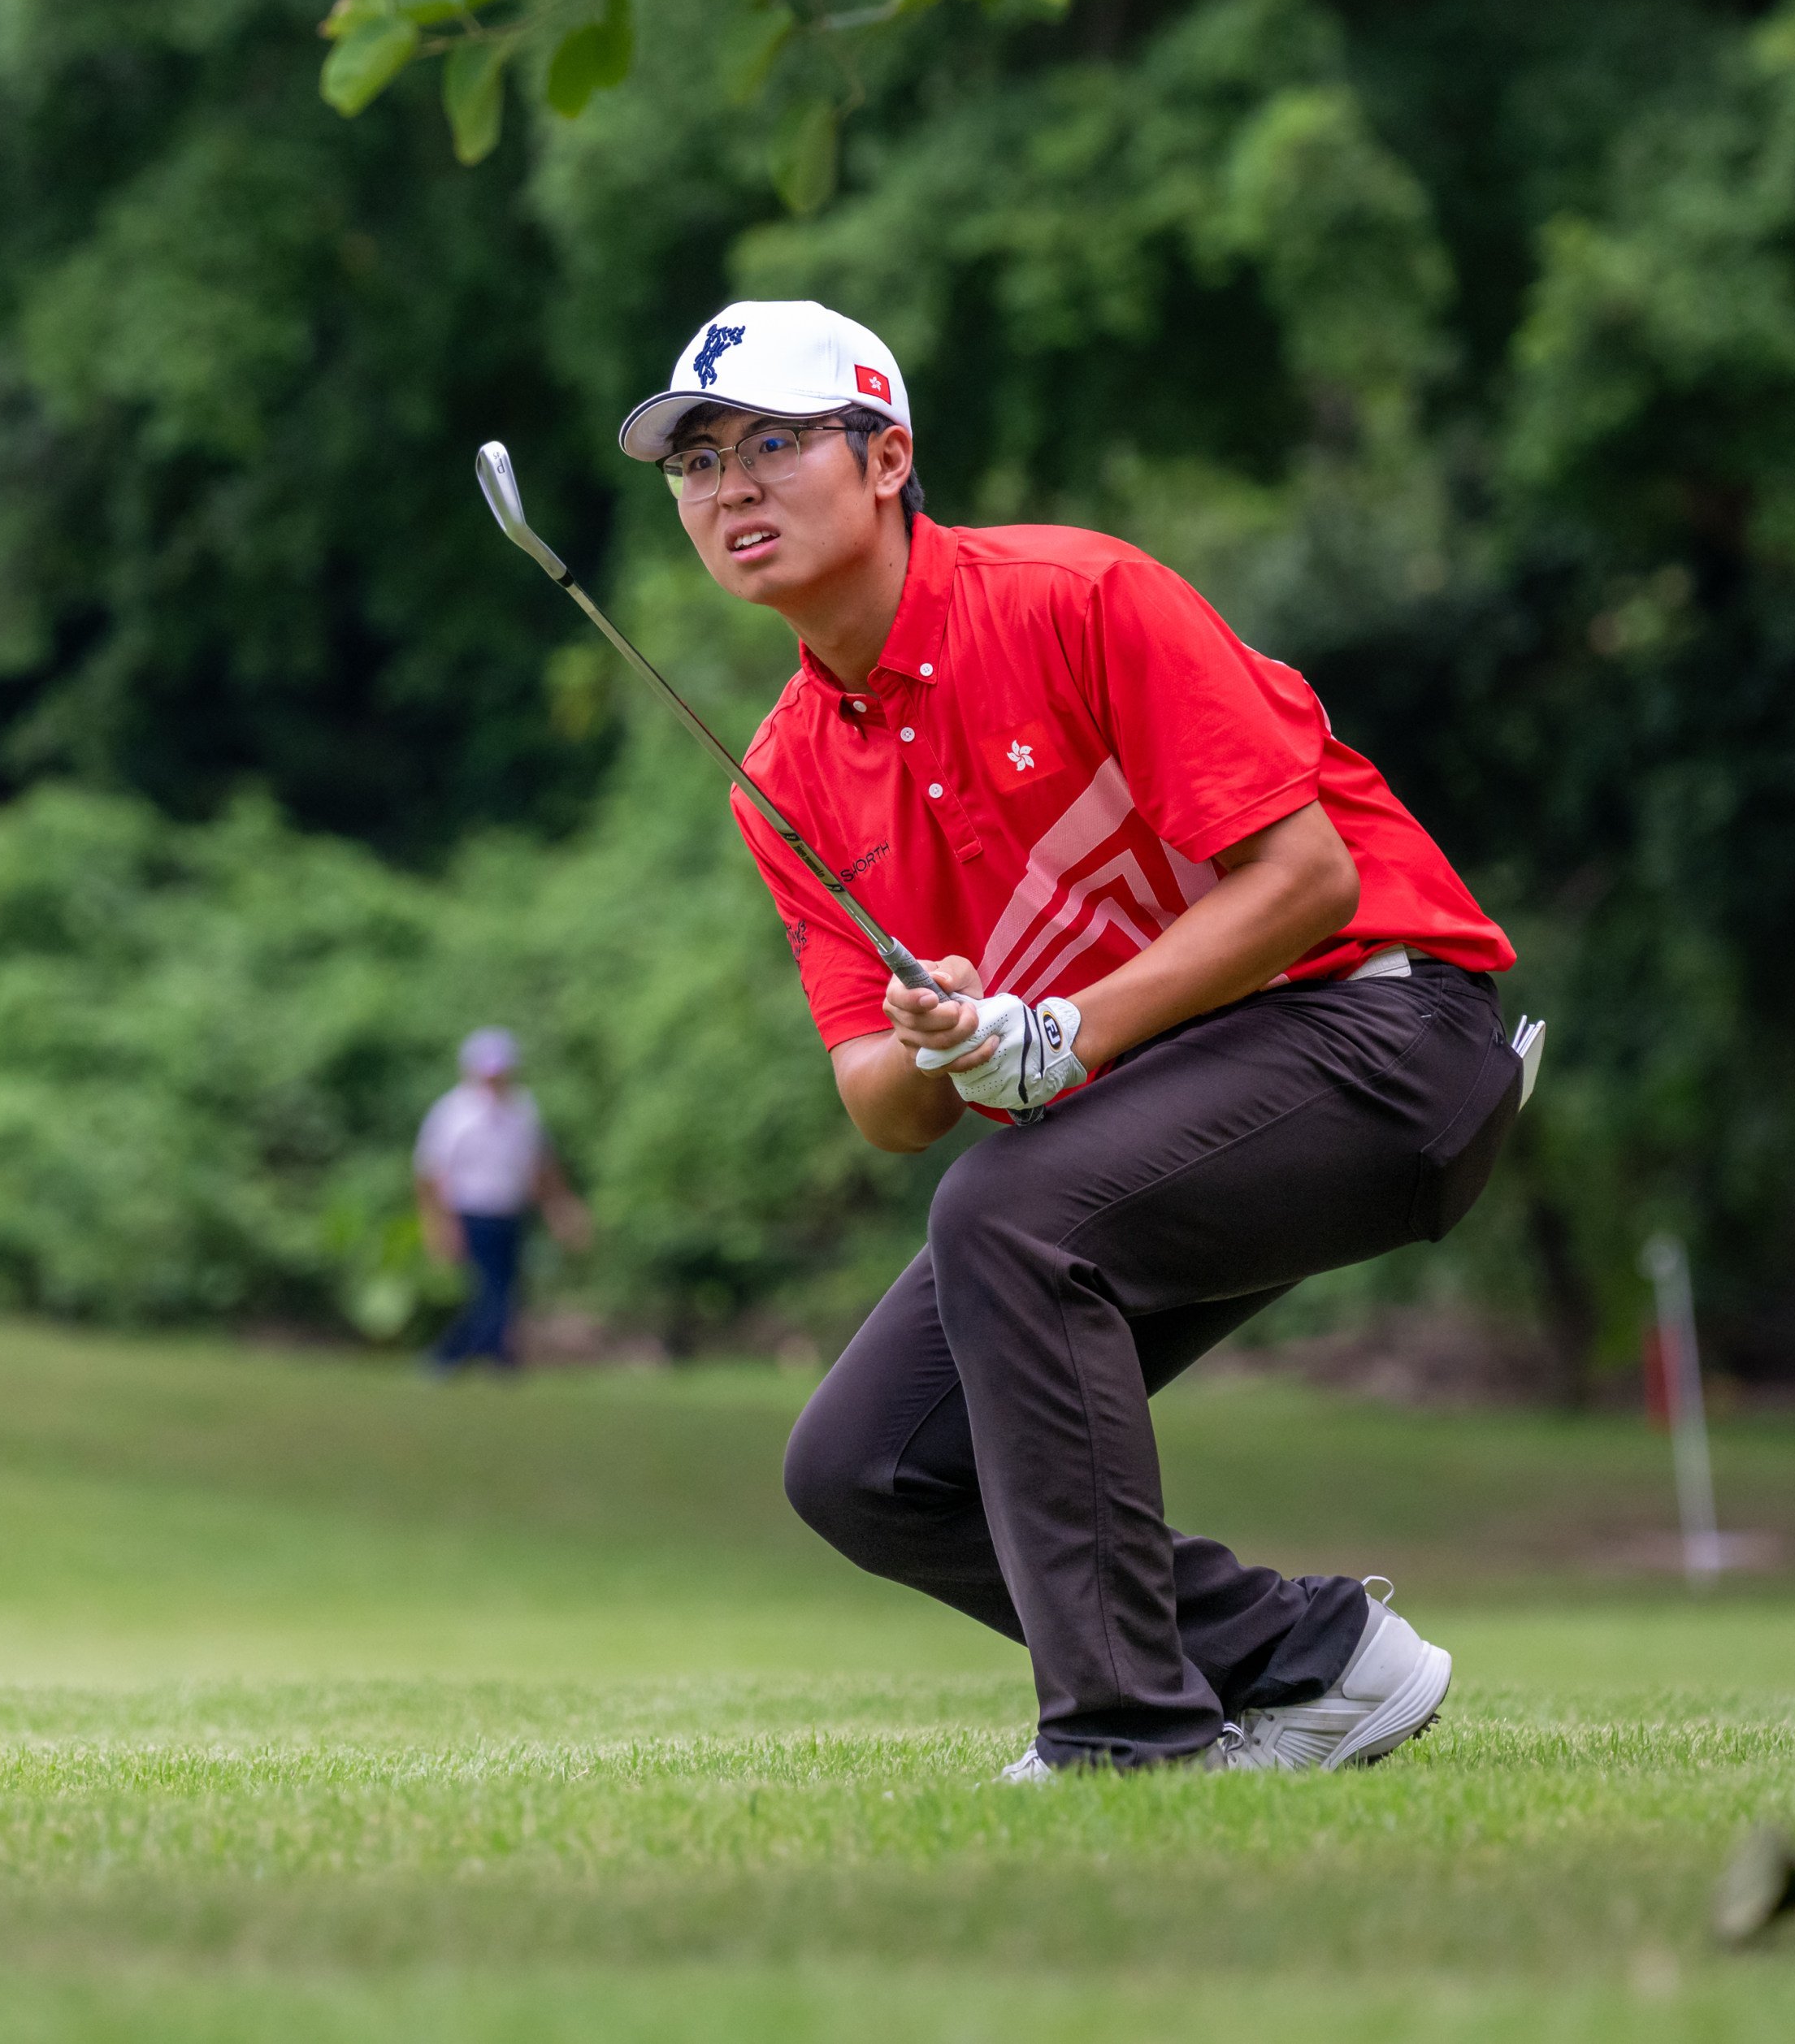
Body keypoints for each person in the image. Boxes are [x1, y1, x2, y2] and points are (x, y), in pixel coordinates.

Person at [618, 300, 1524, 1778]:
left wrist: (1065, 1031)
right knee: (866, 1465)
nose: (730, 488)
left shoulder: (1077, 596)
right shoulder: (782, 771)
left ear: (887, 457)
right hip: (1180, 1094)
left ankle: (1125, 1733)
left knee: (1004, 1211)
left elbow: (1308, 881)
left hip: (1392, 1031)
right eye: (696, 462)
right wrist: (937, 1034)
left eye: (774, 442)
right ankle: (1309, 1658)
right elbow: (880, 1104)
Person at [413, 1028, 592, 1372]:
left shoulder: (522, 1109)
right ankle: (455, 1357)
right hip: (471, 1213)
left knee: (507, 1291)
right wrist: (439, 1223)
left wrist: (558, 1208)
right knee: (491, 1293)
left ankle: (497, 1358)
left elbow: (541, 1164)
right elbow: (431, 1173)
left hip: (510, 1212)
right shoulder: (453, 1113)